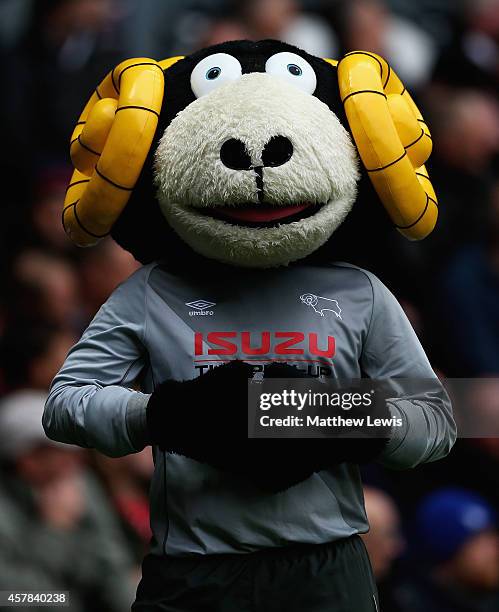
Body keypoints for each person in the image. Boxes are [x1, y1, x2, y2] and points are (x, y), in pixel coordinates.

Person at [0, 390, 138, 611]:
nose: (75, 459)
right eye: (62, 451)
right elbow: (10, 596)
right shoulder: (5, 508)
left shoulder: (78, 482)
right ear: (29, 459)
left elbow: (112, 563)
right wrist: (56, 532)